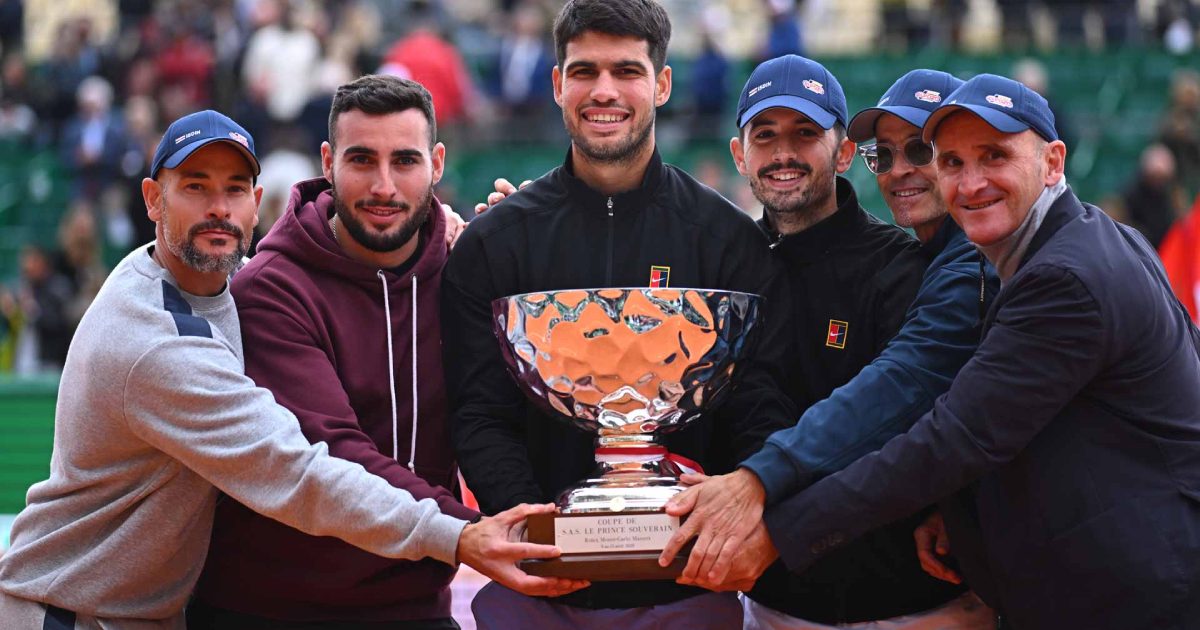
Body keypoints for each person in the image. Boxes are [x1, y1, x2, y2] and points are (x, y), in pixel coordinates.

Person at [0, 109, 579, 629]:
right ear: (153, 199)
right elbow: (296, 472)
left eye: (234, 190)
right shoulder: (160, 346)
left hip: (128, 609)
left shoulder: (187, 274)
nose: (219, 210)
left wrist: (467, 235)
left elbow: (318, 240)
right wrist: (459, 535)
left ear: (258, 201)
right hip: (69, 609)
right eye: (195, 189)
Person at [754, 74, 1200, 629]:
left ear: (1053, 162)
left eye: (995, 156)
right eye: (952, 163)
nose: (971, 183)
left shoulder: (1062, 277)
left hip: (1129, 592)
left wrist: (778, 530)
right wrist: (964, 511)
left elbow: (955, 436)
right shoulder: (1083, 239)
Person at [440, 0, 796, 627]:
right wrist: (543, 533)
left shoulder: (727, 241)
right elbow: (480, 412)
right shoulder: (495, 245)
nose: (604, 91)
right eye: (584, 71)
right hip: (538, 591)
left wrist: (721, 511)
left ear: (661, 83)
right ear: (557, 84)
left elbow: (756, 406)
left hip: (687, 588)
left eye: (627, 71)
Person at [659, 67, 1002, 629]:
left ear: (841, 153)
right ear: (739, 155)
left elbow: (897, 418)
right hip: (773, 603)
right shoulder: (727, 266)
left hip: (913, 607)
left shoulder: (915, 266)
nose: (783, 154)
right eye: (765, 135)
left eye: (804, 134)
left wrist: (762, 493)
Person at [189, 76, 514, 628]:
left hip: (415, 607)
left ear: (437, 164)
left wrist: (530, 261)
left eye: (405, 161)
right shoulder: (272, 289)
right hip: (270, 611)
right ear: (328, 161)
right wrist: (472, 532)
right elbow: (335, 453)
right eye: (362, 160)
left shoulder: (467, 273)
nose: (383, 186)